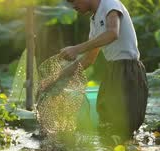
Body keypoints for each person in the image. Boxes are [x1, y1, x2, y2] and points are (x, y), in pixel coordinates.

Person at [40, 0, 148, 141]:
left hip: (128, 70)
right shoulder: (94, 21)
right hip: (112, 71)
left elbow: (112, 33)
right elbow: (88, 60)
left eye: (74, 0)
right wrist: (56, 78)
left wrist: (77, 48)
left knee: (124, 125)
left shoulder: (110, 4)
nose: (73, 6)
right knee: (107, 122)